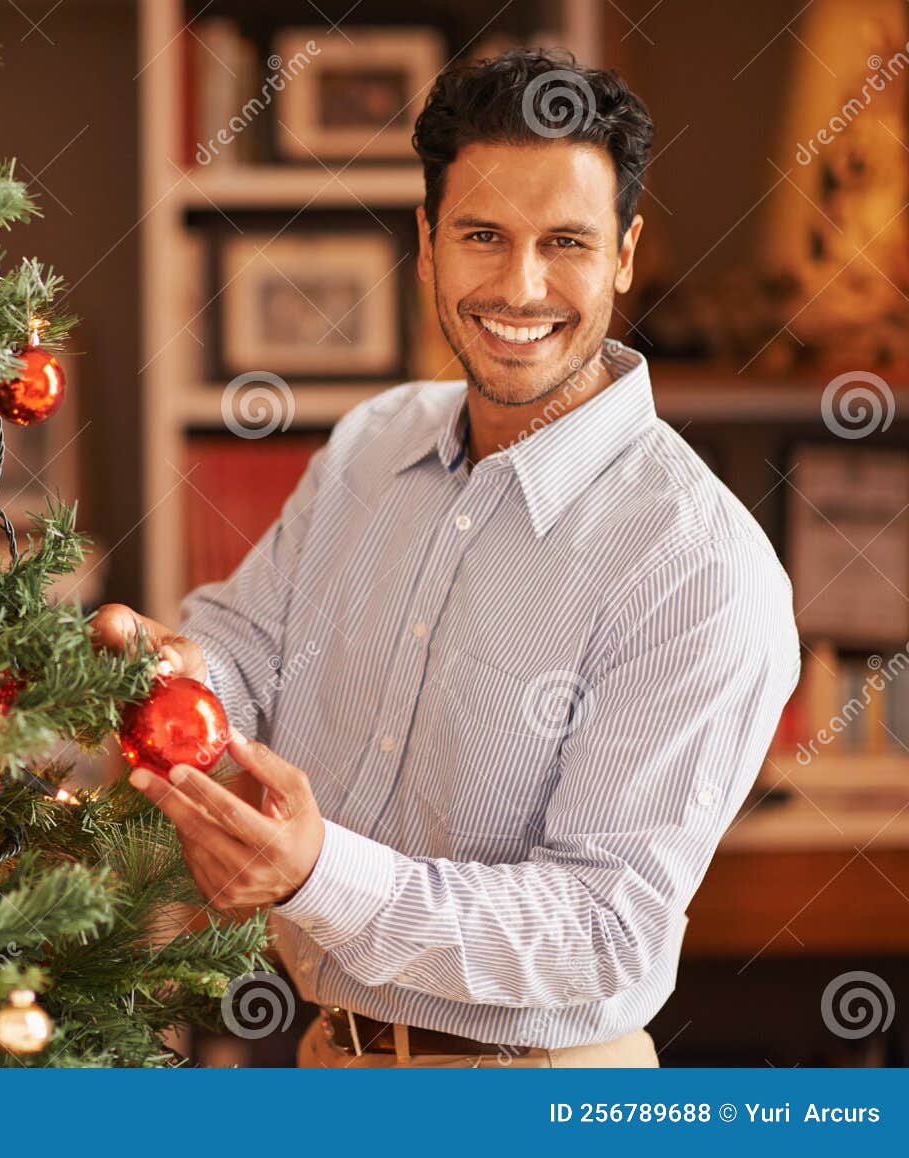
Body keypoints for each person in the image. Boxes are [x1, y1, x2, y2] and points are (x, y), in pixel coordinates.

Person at [91, 48, 799, 1068]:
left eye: (565, 242)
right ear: (426, 243)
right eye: (481, 235)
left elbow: (603, 931)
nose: (520, 285)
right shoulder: (372, 444)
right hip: (330, 1062)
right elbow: (247, 652)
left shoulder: (699, 566)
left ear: (625, 252)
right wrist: (168, 674)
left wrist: (314, 876)